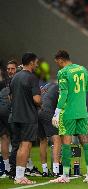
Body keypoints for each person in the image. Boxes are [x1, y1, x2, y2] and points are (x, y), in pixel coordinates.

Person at [50, 50, 88, 183]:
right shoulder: (83, 69)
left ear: (60, 59)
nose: (57, 64)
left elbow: (63, 93)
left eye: (57, 62)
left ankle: (65, 176)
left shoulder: (63, 72)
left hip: (68, 112)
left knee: (66, 143)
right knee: (85, 142)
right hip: (82, 111)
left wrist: (57, 112)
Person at [10, 52, 41, 184]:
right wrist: (40, 101)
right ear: (31, 63)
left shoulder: (15, 77)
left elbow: (10, 97)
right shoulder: (32, 78)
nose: (37, 64)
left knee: (19, 146)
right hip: (28, 116)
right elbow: (37, 99)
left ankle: (18, 176)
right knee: (25, 145)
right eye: (36, 62)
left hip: (15, 116)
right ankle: (20, 177)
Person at [38, 82, 61, 177]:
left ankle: (44, 171)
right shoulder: (60, 87)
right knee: (57, 140)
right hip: (48, 112)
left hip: (38, 112)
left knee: (43, 140)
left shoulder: (46, 86)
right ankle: (56, 171)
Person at [0, 60, 17, 178]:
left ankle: (12, 168)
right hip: (7, 115)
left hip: (11, 114)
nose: (10, 71)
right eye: (8, 69)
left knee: (12, 139)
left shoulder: (16, 80)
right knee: (7, 139)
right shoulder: (5, 83)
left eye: (12, 69)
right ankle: (9, 168)